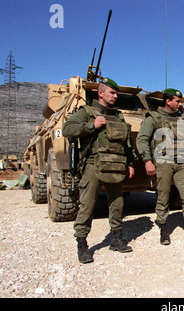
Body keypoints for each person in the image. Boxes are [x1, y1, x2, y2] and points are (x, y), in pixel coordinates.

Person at [62, 77, 135, 263]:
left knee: (117, 204)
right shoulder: (86, 112)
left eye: (116, 93)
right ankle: (82, 244)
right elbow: (67, 129)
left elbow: (127, 144)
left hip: (116, 165)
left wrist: (130, 164)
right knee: (87, 205)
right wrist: (91, 126)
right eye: (112, 92)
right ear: (100, 93)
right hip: (93, 164)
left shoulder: (118, 116)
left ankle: (117, 239)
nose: (115, 96)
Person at [136, 88, 184, 245]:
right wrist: (147, 160)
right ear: (167, 101)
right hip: (163, 163)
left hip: (181, 163)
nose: (180, 104)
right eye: (177, 101)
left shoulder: (182, 119)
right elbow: (142, 139)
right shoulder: (153, 118)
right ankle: (163, 229)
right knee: (163, 196)